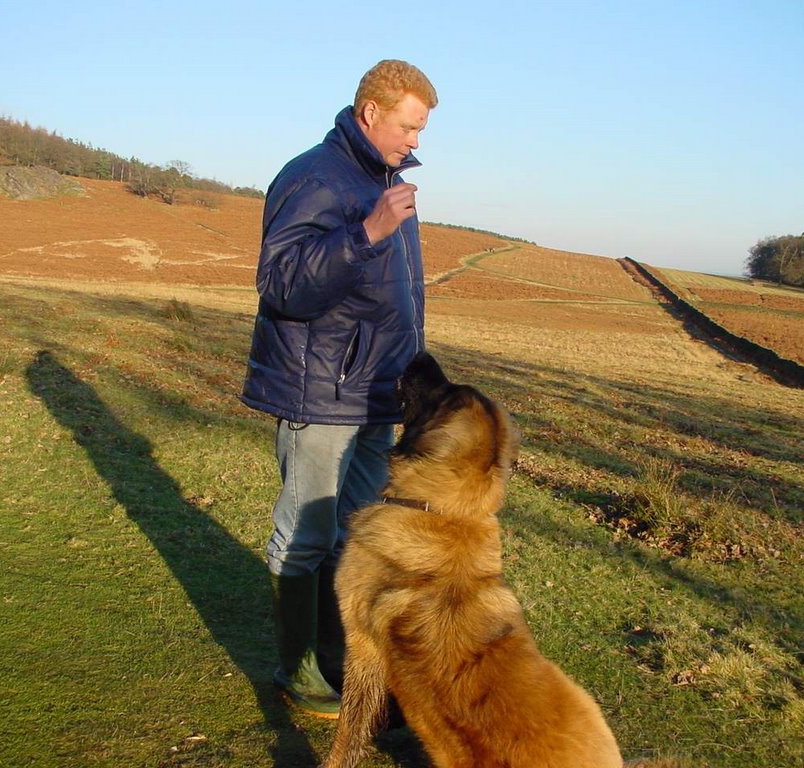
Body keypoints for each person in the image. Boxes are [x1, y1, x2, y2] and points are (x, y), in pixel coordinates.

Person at [240, 60, 438, 718]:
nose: (416, 142)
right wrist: (366, 233)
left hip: (378, 398)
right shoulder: (313, 176)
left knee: (353, 536)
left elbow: (396, 300)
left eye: (421, 130)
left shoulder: (386, 182)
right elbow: (284, 284)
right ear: (370, 112)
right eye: (409, 127)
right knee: (306, 532)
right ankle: (297, 672)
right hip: (320, 395)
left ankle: (337, 660)